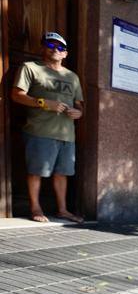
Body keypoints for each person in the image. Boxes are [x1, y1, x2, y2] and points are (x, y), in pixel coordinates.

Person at [10, 32, 85, 223]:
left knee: (63, 173)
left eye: (60, 47)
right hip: (39, 130)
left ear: (65, 54)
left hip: (67, 134)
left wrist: (79, 113)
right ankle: (35, 208)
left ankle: (63, 210)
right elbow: (17, 95)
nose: (55, 49)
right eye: (51, 45)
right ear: (43, 47)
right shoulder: (30, 68)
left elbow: (80, 104)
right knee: (36, 171)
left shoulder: (72, 77)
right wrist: (43, 102)